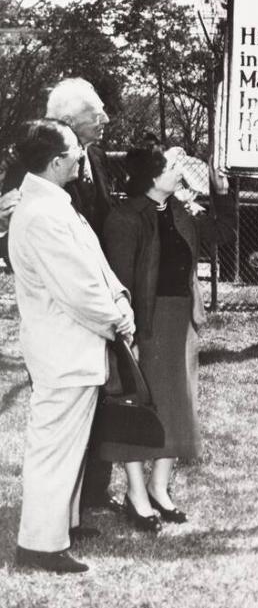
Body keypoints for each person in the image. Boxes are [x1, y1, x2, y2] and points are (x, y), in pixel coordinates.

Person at [8, 119, 134, 573]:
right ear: (57, 161)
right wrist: (117, 320)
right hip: (62, 349)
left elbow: (94, 266)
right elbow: (78, 290)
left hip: (72, 347)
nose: (82, 157)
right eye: (75, 152)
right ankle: (40, 545)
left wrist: (119, 297)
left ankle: (64, 524)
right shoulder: (42, 214)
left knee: (69, 445)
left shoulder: (53, 204)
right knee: (54, 448)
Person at [100, 146, 234, 531]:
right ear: (152, 177)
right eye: (172, 166)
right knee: (139, 409)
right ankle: (136, 495)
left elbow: (223, 233)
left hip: (179, 324)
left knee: (176, 408)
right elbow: (120, 284)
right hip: (145, 325)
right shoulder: (124, 219)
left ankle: (160, 489)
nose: (180, 170)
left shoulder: (180, 211)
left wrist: (220, 191)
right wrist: (131, 337)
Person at [1, 78, 118, 510]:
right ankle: (58, 511)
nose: (105, 119)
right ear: (67, 124)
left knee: (96, 406)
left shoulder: (97, 158)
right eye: (96, 113)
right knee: (60, 418)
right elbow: (18, 241)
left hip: (92, 304)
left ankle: (90, 495)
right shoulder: (27, 176)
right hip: (59, 316)